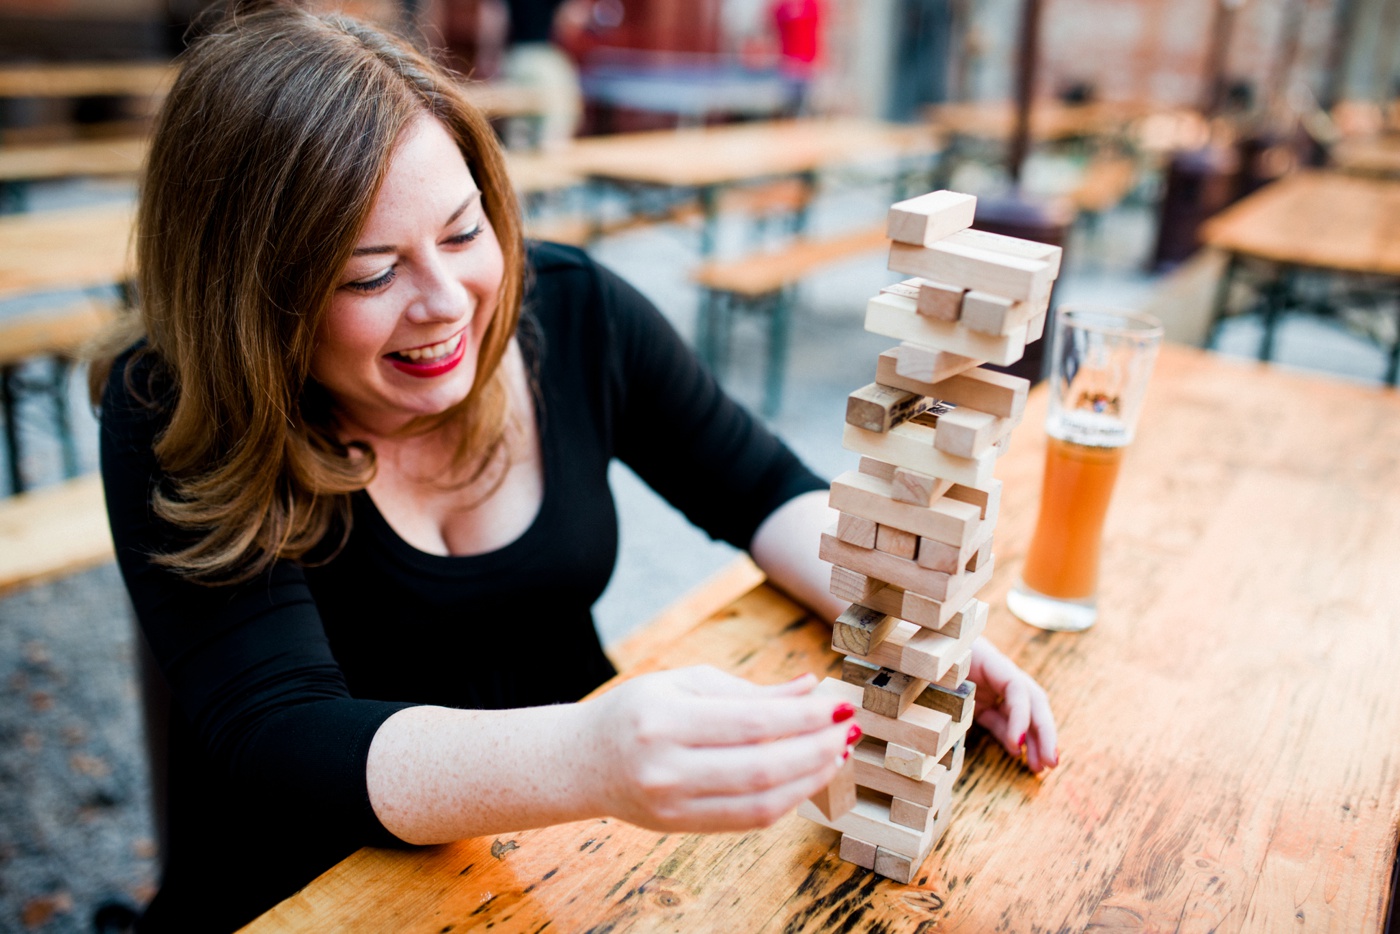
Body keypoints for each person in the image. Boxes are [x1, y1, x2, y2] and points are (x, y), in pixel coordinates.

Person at [92, 5, 1058, 931]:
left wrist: (904, 620)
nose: (446, 302)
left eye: (465, 233)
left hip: (559, 860)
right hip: (314, 887)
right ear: (250, 297)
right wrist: (590, 755)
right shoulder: (169, 402)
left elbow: (762, 491)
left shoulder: (575, 307)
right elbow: (281, 741)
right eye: (369, 273)